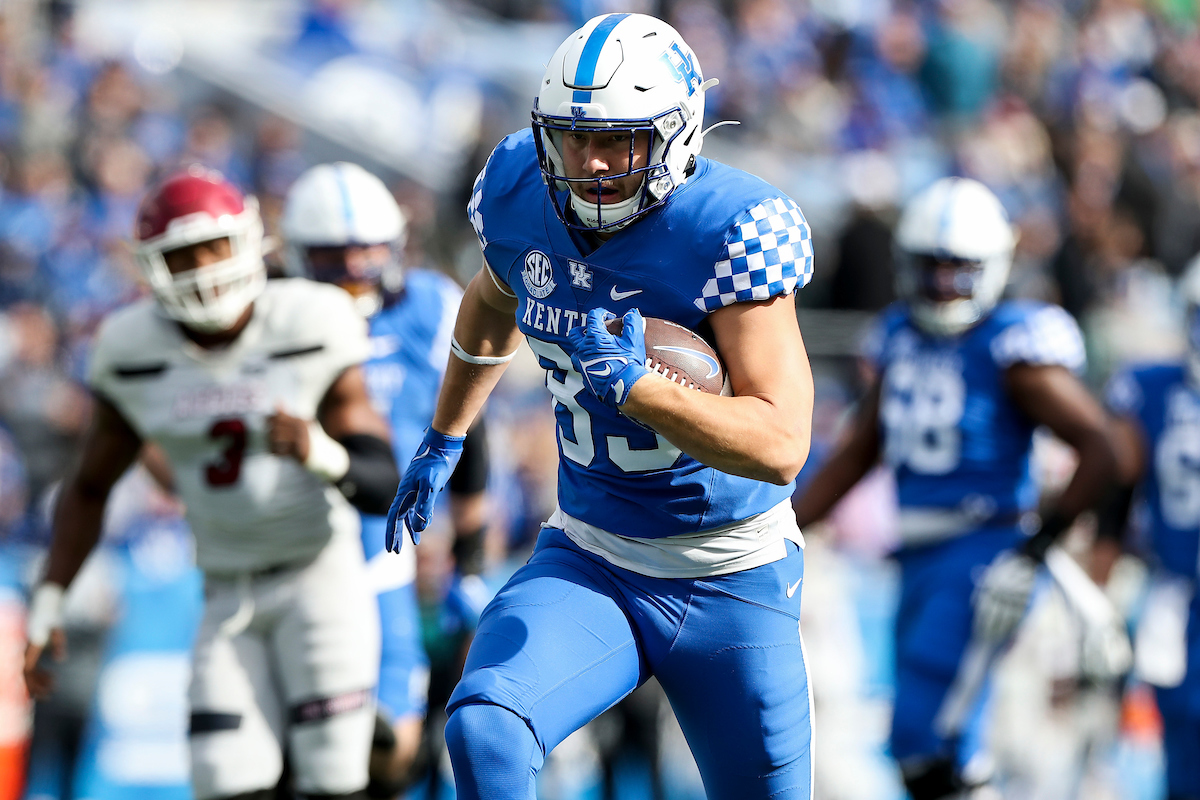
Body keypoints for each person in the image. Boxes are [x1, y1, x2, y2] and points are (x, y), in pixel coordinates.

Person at [386, 12, 817, 799]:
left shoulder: (730, 228)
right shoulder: (520, 190)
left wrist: (642, 390)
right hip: (593, 553)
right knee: (485, 726)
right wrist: (445, 434)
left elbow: (782, 440)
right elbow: (493, 299)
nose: (591, 163)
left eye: (619, 139)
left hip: (732, 573)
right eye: (574, 138)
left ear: (676, 135)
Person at [22, 165, 402, 800]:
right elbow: (89, 485)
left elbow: (382, 482)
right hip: (225, 589)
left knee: (336, 778)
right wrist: (52, 598)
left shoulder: (310, 319)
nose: (202, 268)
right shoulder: (131, 346)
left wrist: (321, 453)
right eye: (182, 256)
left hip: (319, 578)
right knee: (225, 779)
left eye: (214, 247)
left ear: (251, 241)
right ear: (149, 267)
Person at [792, 177, 1116, 799]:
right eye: (929, 267)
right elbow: (861, 450)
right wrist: (780, 528)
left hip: (983, 550)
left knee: (930, 734)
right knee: (922, 744)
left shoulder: (1013, 346)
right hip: (919, 556)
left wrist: (1038, 543)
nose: (942, 283)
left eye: (958, 269)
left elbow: (1101, 447)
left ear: (993, 267)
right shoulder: (898, 337)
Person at [280, 161, 491, 797]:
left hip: (392, 550)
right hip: (298, 546)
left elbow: (470, 435)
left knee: (392, 747)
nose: (352, 272)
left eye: (365, 253)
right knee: (302, 740)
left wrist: (470, 559)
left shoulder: (429, 306)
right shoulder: (277, 315)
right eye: (333, 256)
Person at [1104, 253, 1200, 800]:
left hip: (1173, 587)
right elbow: (1119, 484)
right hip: (1174, 589)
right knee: (1181, 740)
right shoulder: (1151, 386)